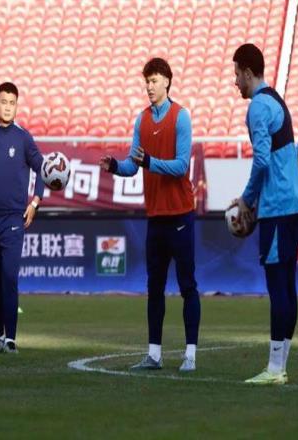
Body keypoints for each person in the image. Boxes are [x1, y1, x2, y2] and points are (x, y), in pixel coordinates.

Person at [100, 58, 200, 372]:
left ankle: (190, 355)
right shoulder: (141, 120)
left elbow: (181, 166)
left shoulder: (181, 117)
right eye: (147, 81)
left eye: (154, 80)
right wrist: (115, 166)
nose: (149, 86)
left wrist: (150, 163)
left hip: (181, 216)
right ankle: (154, 354)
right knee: (154, 288)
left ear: (167, 82)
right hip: (156, 218)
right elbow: (133, 165)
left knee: (187, 286)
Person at [230, 44, 298, 385]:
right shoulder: (276, 99)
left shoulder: (259, 106)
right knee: (287, 285)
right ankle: (280, 366)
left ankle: (275, 369)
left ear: (248, 72)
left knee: (278, 286)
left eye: (237, 75)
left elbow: (261, 160)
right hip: (292, 203)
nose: (235, 82)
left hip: (278, 207)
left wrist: (247, 200)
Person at [0, 82, 45, 354]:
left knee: (9, 277)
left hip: (15, 218)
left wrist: (35, 202)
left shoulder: (24, 138)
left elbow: (43, 170)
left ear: (16, 105)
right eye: (3, 102)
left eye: (12, 103)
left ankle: (11, 338)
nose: (7, 107)